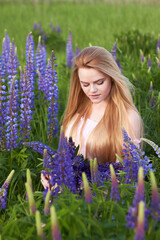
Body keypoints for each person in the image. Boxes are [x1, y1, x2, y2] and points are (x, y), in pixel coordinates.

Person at [41, 46, 143, 188]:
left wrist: (86, 187)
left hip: (104, 199)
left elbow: (130, 173)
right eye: (85, 84)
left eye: (99, 82)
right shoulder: (76, 115)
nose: (92, 90)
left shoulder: (128, 117)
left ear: (112, 78)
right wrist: (53, 176)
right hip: (69, 199)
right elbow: (65, 161)